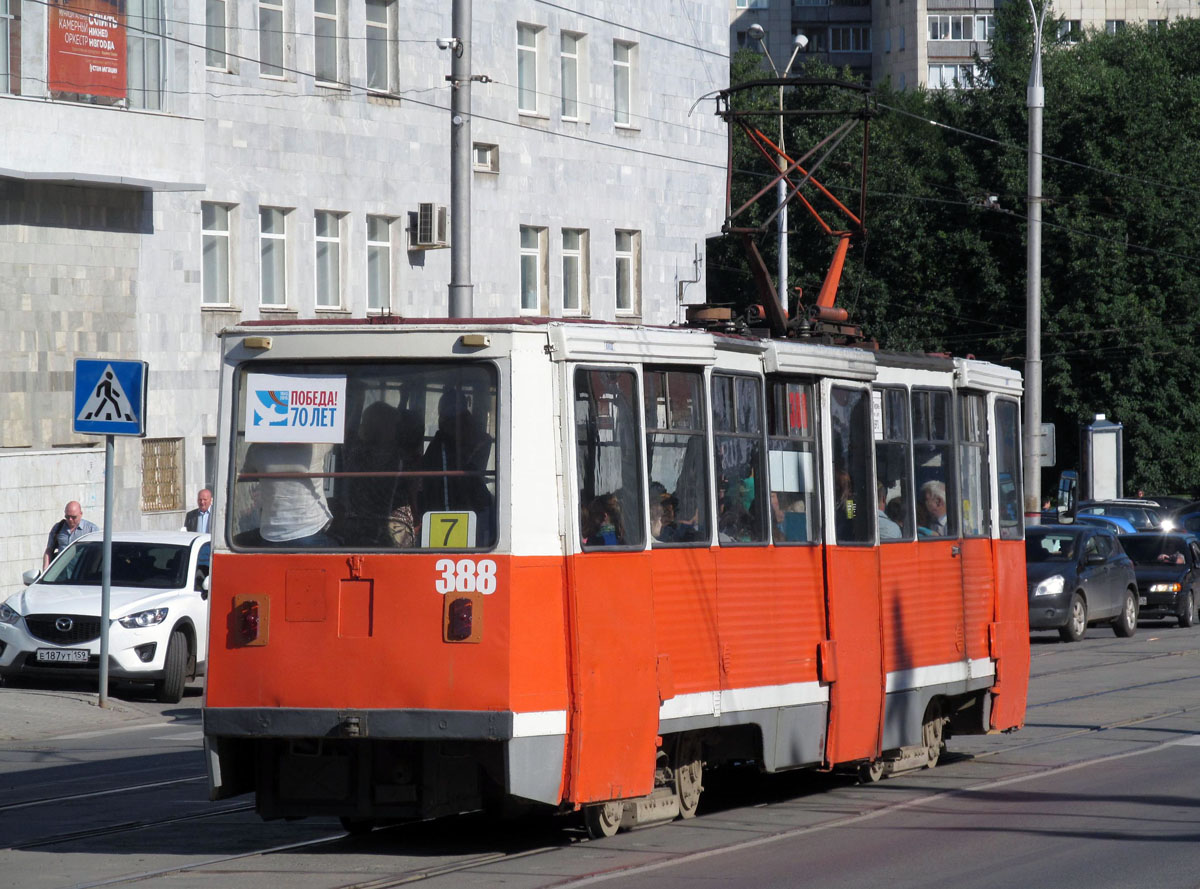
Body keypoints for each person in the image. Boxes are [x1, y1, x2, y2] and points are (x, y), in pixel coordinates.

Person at [240, 441, 334, 546]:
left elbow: (248, 471)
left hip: (271, 534)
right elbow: (334, 435)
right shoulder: (316, 446)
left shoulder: (257, 449)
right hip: (311, 529)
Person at [44, 501, 99, 569]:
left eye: (73, 517)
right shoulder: (58, 528)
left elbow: (97, 554)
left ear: (81, 514)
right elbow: (49, 550)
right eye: (67, 516)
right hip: (60, 571)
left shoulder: (91, 529)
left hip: (81, 571)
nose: (70, 520)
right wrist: (45, 569)